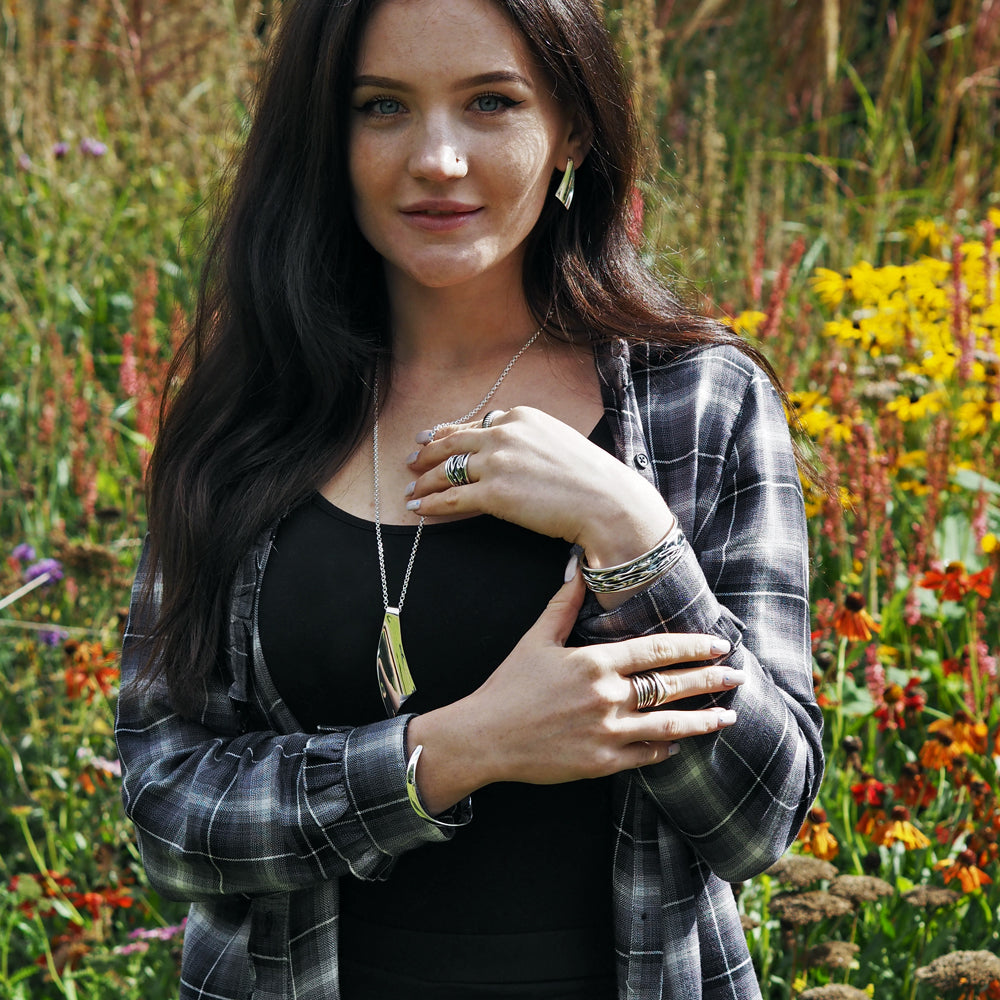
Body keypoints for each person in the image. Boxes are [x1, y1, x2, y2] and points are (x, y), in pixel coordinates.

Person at [115, 0, 824, 996]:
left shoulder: (699, 402)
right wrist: (457, 750)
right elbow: (166, 820)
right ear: (325, 131)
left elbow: (760, 817)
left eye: (492, 102)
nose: (437, 160)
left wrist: (630, 532)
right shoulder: (248, 410)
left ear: (572, 127)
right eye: (382, 106)